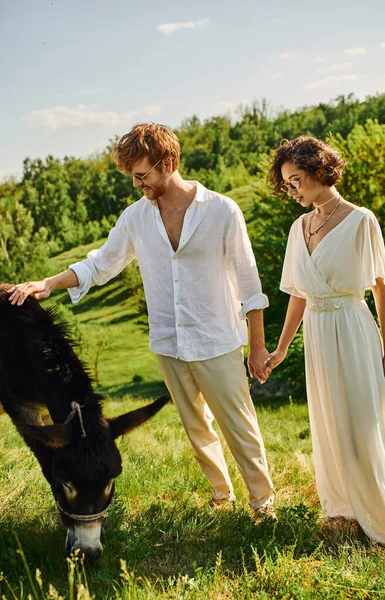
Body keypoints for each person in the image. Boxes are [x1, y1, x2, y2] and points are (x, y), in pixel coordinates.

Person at [8, 123, 276, 518]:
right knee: (197, 429)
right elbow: (101, 263)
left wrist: (256, 346)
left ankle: (263, 503)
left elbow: (249, 284)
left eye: (141, 175)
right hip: (169, 343)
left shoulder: (221, 211)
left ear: (167, 163)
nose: (136, 185)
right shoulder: (136, 218)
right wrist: (48, 283)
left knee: (239, 426)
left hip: (216, 339)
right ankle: (222, 495)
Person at [265, 135, 385, 546]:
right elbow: (297, 296)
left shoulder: (362, 221)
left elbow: (381, 293)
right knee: (328, 422)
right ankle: (343, 509)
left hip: (353, 328)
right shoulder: (298, 228)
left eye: (295, 180)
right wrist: (282, 348)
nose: (292, 190)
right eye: (286, 184)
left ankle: (379, 511)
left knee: (361, 420)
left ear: (319, 170)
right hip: (319, 336)